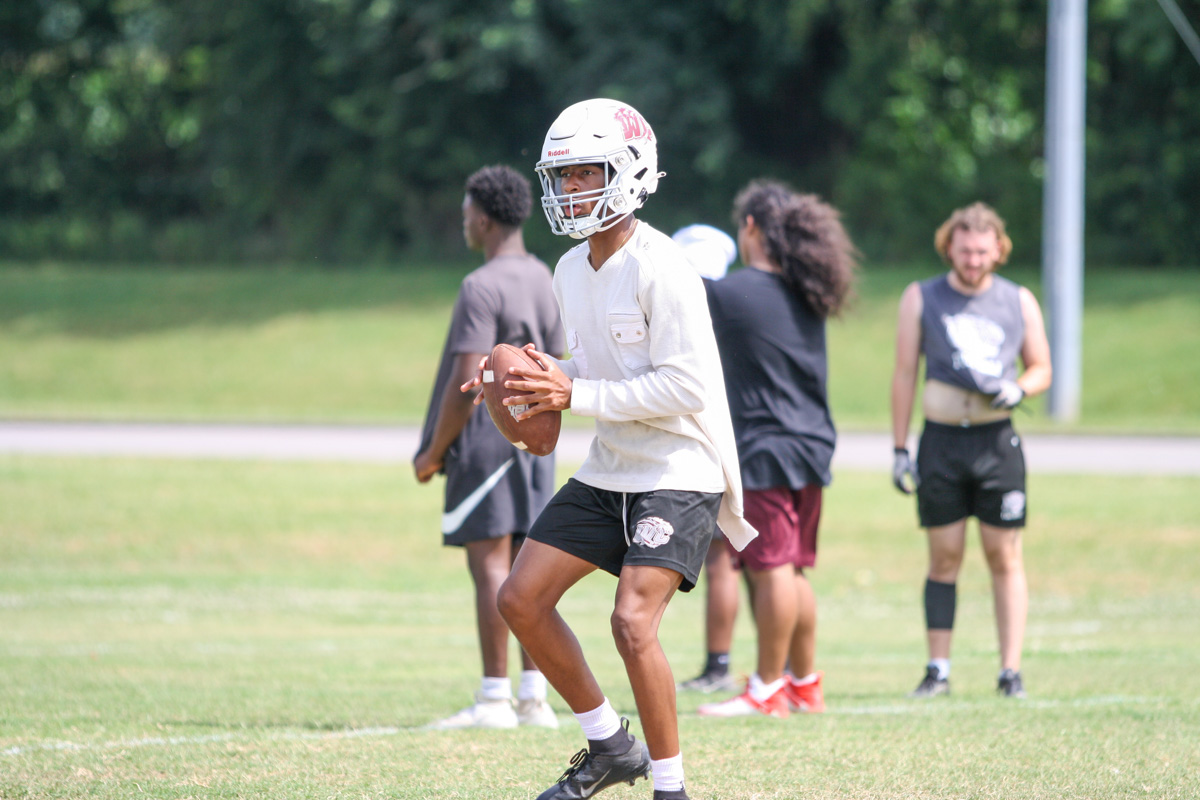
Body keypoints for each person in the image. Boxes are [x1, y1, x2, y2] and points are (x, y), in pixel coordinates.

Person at [464, 98, 757, 800]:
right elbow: (593, 369)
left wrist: (575, 393)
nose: (570, 191)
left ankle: (671, 787)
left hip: (680, 467)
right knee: (521, 598)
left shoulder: (667, 267)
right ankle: (609, 745)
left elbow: (684, 387)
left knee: (631, 621)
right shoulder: (568, 269)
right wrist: (532, 379)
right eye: (561, 177)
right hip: (613, 465)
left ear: (629, 172)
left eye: (585, 173)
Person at [695, 180, 858, 719]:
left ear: (750, 228)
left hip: (765, 449)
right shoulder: (807, 293)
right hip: (812, 446)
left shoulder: (728, 294)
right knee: (793, 570)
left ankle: (765, 689)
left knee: (771, 570)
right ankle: (804, 684)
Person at [413, 164, 564, 729]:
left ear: (481, 217)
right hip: (534, 441)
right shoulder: (545, 275)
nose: (463, 223)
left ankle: (494, 699)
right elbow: (553, 362)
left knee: (492, 570)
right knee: (530, 569)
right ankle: (534, 698)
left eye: (464, 214)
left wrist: (433, 450)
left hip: (484, 444)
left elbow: (464, 384)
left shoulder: (480, 285)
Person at [890, 202, 1052, 699]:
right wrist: (900, 448)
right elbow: (904, 375)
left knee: (1004, 556)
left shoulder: (1018, 299)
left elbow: (1042, 367)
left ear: (998, 249)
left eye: (983, 251)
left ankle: (1010, 671)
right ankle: (938, 668)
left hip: (996, 442)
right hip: (940, 442)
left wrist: (1020, 390)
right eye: (965, 250)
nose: (973, 259)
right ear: (950, 248)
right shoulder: (921, 296)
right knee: (944, 556)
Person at [669, 223, 744, 695]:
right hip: (745, 441)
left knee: (719, 561)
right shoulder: (739, 304)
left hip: (703, 444)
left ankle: (719, 664)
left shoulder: (682, 302)